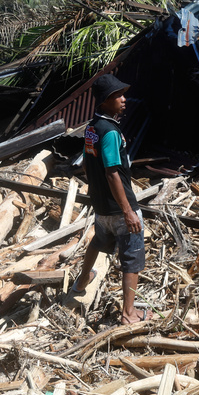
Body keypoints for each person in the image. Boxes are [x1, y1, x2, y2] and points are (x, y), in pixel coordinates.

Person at [70, 73, 147, 324]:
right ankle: (128, 314)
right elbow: (112, 171)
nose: (124, 100)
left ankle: (81, 282)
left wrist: (98, 193)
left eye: (123, 94)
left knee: (98, 242)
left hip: (101, 207)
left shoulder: (92, 128)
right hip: (119, 208)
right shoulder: (111, 132)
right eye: (118, 96)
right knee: (131, 257)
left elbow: (86, 165)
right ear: (104, 101)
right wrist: (127, 211)